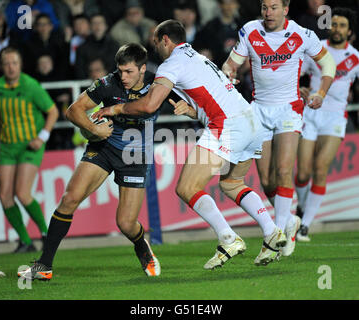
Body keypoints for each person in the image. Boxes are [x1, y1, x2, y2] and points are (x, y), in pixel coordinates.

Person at [94, 19, 288, 269]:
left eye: (156, 42)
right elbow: (214, 96)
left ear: (165, 39)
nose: (155, 47)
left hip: (227, 125)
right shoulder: (196, 56)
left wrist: (115, 108)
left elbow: (149, 105)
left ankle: (228, 238)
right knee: (231, 183)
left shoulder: (171, 64)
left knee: (186, 187)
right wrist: (194, 111)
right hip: (249, 120)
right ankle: (273, 232)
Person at [18, 43, 161, 281]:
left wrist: (194, 109)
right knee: (69, 198)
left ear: (143, 68)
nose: (123, 77)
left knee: (125, 223)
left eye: (129, 72)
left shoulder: (159, 85)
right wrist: (94, 128)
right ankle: (44, 265)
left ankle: (141, 247)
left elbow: (190, 96)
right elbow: (73, 110)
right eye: (120, 70)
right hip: (103, 148)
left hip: (135, 156)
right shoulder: (108, 83)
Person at [222, 0, 336, 257]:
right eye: (264, 7)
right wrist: (228, 74)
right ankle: (289, 222)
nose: (268, 12)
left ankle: (277, 236)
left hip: (289, 110)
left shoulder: (302, 34)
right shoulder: (250, 30)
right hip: (259, 111)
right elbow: (230, 64)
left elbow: (328, 64)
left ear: (285, 10)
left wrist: (320, 92)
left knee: (284, 170)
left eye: (274, 7)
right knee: (266, 181)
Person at [295, 7, 359, 241]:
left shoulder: (355, 57)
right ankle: (301, 209)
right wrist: (297, 88)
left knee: (320, 169)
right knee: (302, 173)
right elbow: (295, 72)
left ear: (349, 32)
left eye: (342, 25)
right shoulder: (317, 50)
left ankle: (305, 225)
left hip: (335, 118)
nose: (337, 29)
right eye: (334, 24)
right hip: (310, 113)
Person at [0, 47, 59, 253]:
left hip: (30, 145)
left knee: (22, 193)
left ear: (20, 65)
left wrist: (42, 137)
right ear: (1, 66)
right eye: (7, 63)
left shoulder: (31, 85)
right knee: (5, 196)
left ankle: (46, 233)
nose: (11, 67)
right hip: (7, 146)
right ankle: (25, 241)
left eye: (14, 63)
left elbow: (53, 111)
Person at [74, 13, 119, 79]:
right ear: (90, 26)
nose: (97, 26)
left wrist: (105, 73)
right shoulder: (81, 48)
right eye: (94, 23)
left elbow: (118, 67)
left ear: (106, 26)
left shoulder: (115, 46)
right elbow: (79, 71)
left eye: (100, 23)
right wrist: (92, 73)